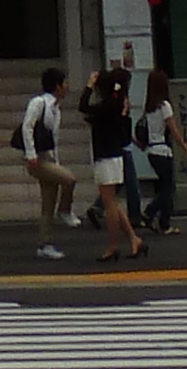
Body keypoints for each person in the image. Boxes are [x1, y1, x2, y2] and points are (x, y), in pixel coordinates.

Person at [82, 60, 143, 265]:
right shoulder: (115, 104)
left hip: (106, 156)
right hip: (113, 155)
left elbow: (83, 106)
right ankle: (134, 239)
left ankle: (113, 245)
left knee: (109, 204)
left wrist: (89, 85)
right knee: (113, 203)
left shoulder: (107, 105)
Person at [20, 66, 75, 257]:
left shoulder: (56, 110)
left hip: (48, 158)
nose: (67, 87)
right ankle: (65, 211)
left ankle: (45, 244)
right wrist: (31, 154)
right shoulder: (39, 103)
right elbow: (27, 127)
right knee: (69, 179)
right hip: (37, 159)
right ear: (57, 86)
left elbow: (54, 141)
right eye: (64, 83)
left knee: (47, 202)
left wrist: (56, 160)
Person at [137, 66, 182, 235]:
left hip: (151, 152)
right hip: (163, 151)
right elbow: (173, 129)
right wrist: (185, 147)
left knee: (164, 187)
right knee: (168, 189)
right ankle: (149, 212)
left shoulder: (148, 108)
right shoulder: (165, 106)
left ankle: (165, 223)